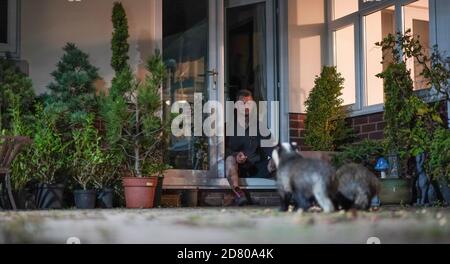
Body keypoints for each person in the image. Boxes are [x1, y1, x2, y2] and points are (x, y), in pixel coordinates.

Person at [225, 89, 276, 206]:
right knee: (229, 160)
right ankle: (238, 194)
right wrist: (235, 155)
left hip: (257, 169)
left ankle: (292, 191)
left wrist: (280, 155)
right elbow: (221, 150)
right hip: (237, 170)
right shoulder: (228, 126)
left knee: (278, 157)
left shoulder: (259, 126)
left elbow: (271, 148)